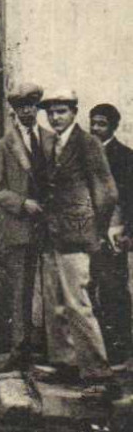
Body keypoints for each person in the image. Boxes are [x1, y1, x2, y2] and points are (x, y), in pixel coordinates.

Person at [37, 88, 119, 394]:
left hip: (78, 234)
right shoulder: (50, 144)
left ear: (73, 112)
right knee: (55, 301)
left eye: (61, 111)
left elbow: (107, 192)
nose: (55, 117)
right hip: (52, 232)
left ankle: (98, 372)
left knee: (78, 302)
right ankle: (66, 364)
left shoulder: (87, 143)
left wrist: (96, 230)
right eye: (51, 112)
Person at [0, 82, 54, 371]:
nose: (26, 111)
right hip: (21, 226)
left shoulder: (52, 140)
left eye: (31, 106)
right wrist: (22, 203)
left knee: (55, 289)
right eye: (20, 107)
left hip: (53, 227)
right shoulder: (3, 146)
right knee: (21, 291)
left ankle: (55, 350)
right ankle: (19, 349)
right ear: (14, 111)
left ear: (37, 109)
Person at [89, 103, 133, 366]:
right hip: (86, 233)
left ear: (114, 126)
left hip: (114, 234)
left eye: (101, 124)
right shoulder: (83, 154)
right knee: (87, 290)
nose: (95, 128)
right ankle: (97, 349)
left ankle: (121, 349)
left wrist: (129, 233)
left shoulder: (126, 157)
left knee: (114, 289)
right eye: (92, 123)